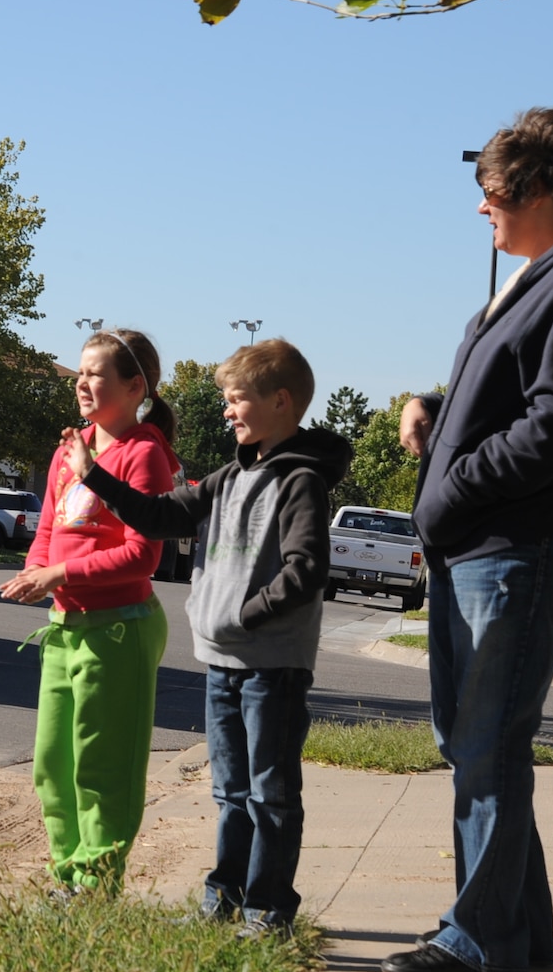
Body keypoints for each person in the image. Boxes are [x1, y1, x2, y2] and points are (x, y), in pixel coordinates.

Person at [381, 108, 553, 972]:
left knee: (488, 742)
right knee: (479, 742)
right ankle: (514, 929)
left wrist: (451, 490)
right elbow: (516, 395)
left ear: (537, 187)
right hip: (490, 543)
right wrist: (437, 405)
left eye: (490, 190)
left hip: (522, 547)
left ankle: (479, 935)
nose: (481, 208)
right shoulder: (544, 277)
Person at [63, 339, 352, 935]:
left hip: (272, 666)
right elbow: (163, 516)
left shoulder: (300, 482)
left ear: (279, 402)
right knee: (230, 792)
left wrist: (245, 614)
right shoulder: (229, 476)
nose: (226, 411)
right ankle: (224, 897)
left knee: (269, 793)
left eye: (235, 399)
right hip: (222, 663)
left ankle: (268, 908)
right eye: (225, 399)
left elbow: (306, 570)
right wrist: (95, 477)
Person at [0, 328, 177, 896]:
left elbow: (142, 555)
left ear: (134, 388)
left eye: (96, 373)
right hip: (64, 627)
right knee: (53, 766)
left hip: (120, 629)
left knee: (102, 770)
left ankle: (94, 886)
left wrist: (61, 574)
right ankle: (66, 878)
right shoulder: (67, 451)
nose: (81, 381)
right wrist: (36, 572)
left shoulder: (145, 453)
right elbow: (49, 529)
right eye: (81, 371)